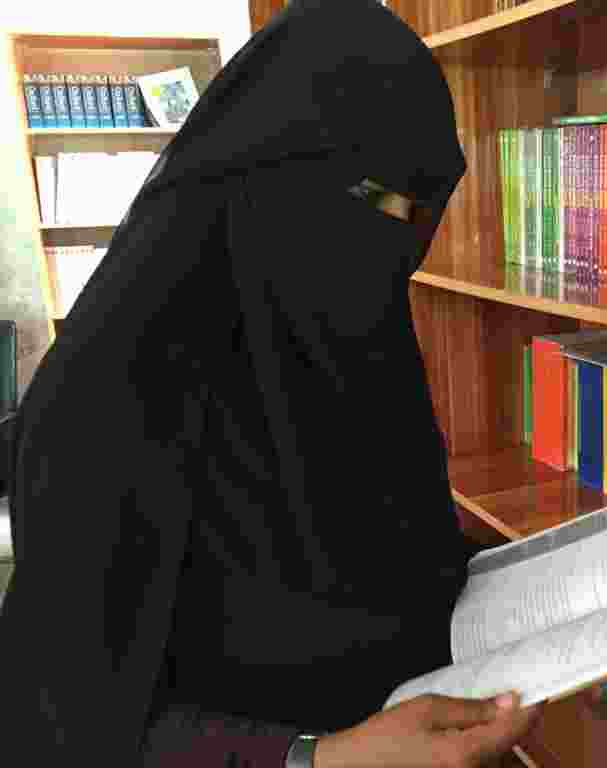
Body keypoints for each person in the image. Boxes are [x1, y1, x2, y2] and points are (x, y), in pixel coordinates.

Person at [0, 1, 544, 765]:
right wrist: (318, 759)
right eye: (371, 198)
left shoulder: (355, 351)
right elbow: (65, 727)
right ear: (261, 168)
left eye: (420, 211)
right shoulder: (98, 406)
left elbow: (394, 564)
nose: (396, 234)